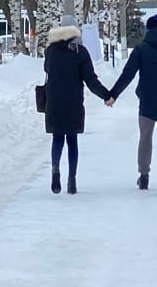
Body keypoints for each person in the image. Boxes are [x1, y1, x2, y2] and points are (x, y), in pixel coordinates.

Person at [106, 14, 157, 196]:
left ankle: (143, 176)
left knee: (145, 139)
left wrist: (113, 95)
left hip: (147, 102)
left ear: (148, 30)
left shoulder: (141, 50)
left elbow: (127, 75)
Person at [43, 24, 111, 195]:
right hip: (73, 102)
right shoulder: (80, 52)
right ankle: (72, 179)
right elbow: (91, 80)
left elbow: (46, 69)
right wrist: (106, 95)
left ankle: (55, 169)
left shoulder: (50, 51)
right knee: (72, 140)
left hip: (54, 101)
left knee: (57, 137)